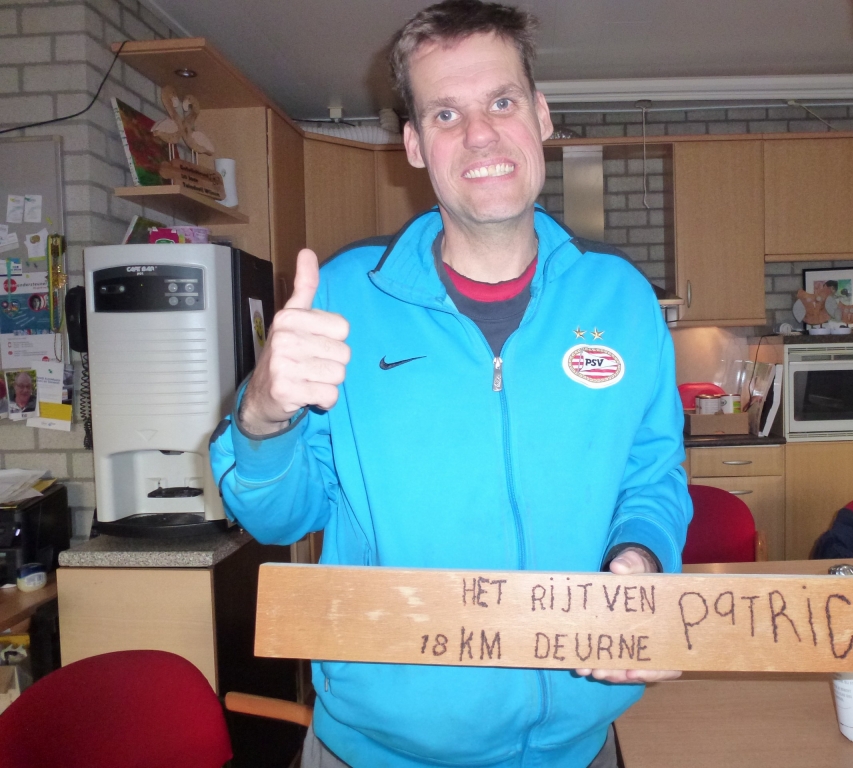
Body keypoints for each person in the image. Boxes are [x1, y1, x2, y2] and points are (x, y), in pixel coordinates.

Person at [209, 2, 691, 766]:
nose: (480, 134)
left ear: (540, 115)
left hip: (578, 747)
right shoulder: (343, 301)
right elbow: (279, 518)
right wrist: (263, 418)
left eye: (501, 101)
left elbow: (652, 474)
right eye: (445, 113)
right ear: (413, 144)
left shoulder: (622, 301)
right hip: (374, 752)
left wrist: (642, 557)